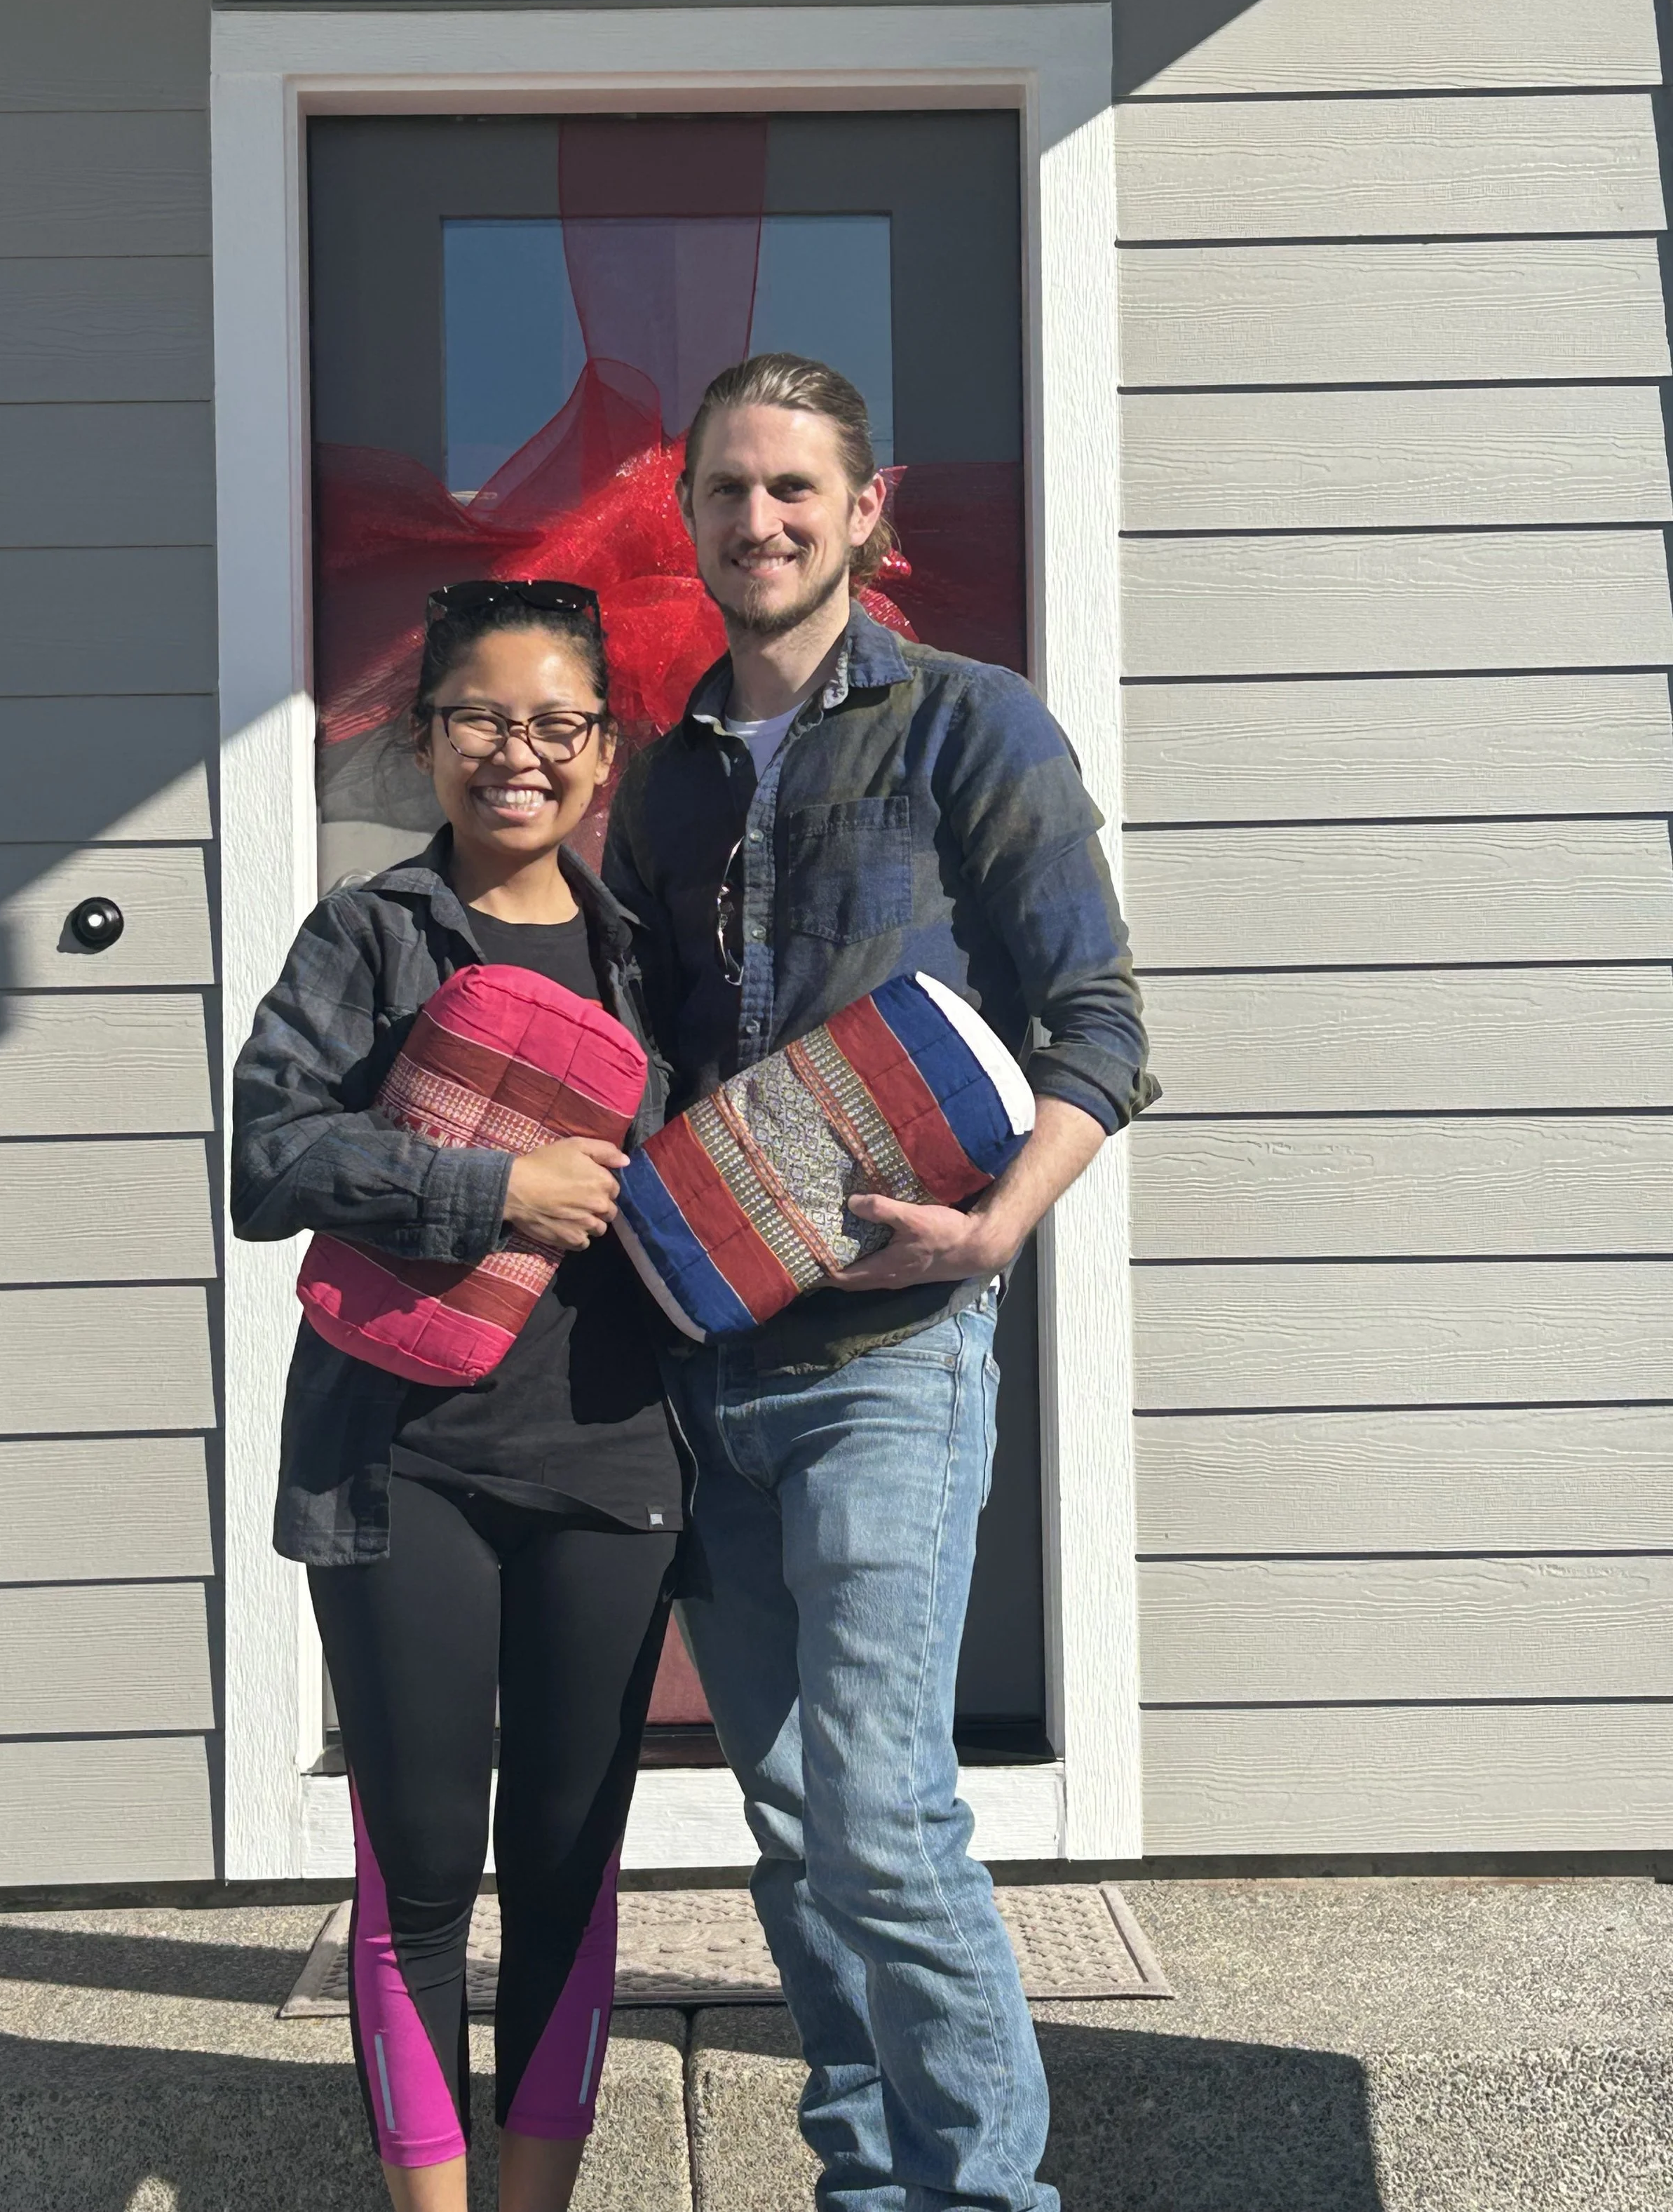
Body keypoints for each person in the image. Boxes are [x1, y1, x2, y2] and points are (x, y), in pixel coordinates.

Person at [604, 353, 1156, 2211]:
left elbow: (1102, 1028)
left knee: (878, 1804)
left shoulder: (969, 728)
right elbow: (649, 1054)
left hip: (888, 1355)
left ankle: (982, 2191)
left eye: (790, 489)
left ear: (865, 509)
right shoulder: (660, 778)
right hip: (710, 1361)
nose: (755, 521)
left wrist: (999, 1224)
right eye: (724, 491)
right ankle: (864, 2177)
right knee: (781, 1814)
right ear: (685, 514)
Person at [231, 579, 683, 2212]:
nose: (518, 751)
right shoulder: (367, 932)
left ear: (601, 751)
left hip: (614, 1461)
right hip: (399, 1466)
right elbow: (268, 1158)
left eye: (556, 721)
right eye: (480, 716)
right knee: (418, 1875)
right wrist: (489, 1188)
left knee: (569, 1876)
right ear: (422, 737)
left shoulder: (650, 950)